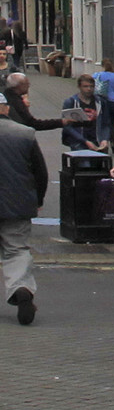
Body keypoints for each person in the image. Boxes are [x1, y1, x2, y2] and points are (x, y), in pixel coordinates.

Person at [0, 95, 48, 325]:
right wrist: (38, 199)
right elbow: (41, 172)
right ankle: (21, 288)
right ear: (6, 109)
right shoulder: (24, 133)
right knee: (16, 250)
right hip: (17, 204)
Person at [60, 75, 103, 151]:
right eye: (85, 86)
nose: (89, 89)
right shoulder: (71, 102)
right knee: (84, 162)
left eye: (91, 86)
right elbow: (67, 126)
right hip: (78, 141)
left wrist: (105, 139)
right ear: (79, 87)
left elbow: (106, 123)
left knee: (97, 162)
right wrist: (84, 141)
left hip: (96, 140)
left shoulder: (100, 102)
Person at [93, 60, 114, 146]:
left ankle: (102, 140)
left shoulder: (96, 75)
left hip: (100, 101)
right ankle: (113, 140)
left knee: (103, 122)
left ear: (102, 66)